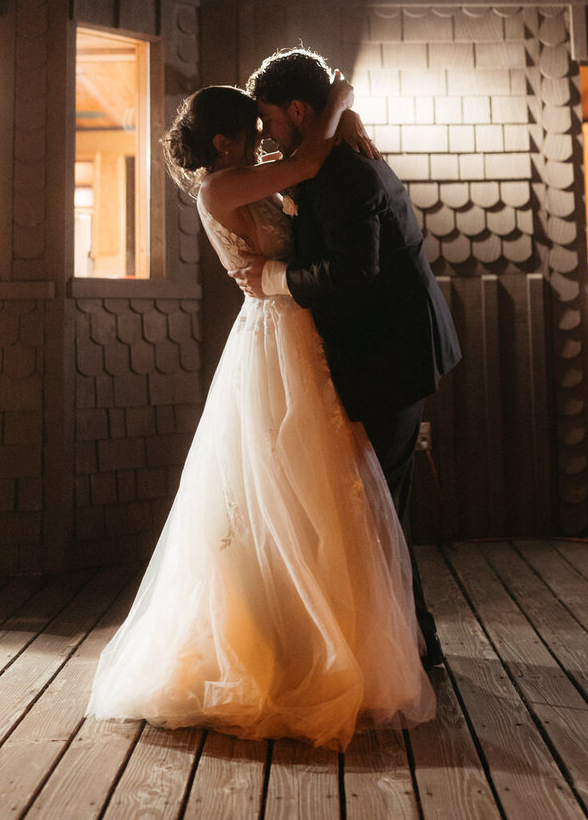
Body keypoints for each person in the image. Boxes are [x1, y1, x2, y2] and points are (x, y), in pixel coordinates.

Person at [86, 74, 436, 750]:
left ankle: (325, 636)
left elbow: (304, 164)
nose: (265, 138)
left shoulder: (251, 171)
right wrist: (338, 102)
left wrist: (348, 122)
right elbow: (306, 163)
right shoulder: (220, 188)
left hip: (296, 330)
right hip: (276, 332)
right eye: (254, 130)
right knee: (285, 484)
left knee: (318, 489)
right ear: (225, 141)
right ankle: (282, 645)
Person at [234, 47, 462, 668]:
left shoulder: (344, 172)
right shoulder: (328, 161)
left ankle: (408, 650)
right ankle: (413, 642)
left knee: (378, 505)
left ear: (300, 110)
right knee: (381, 504)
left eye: (271, 122)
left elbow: (355, 271)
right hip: (389, 347)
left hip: (389, 353)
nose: (265, 136)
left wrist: (273, 278)